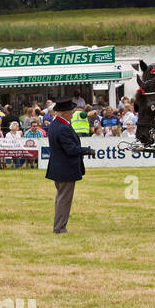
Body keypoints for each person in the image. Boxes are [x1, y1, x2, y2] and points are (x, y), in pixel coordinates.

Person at [45, 100, 95, 234]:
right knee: (64, 200)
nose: (74, 112)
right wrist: (86, 150)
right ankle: (60, 228)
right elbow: (71, 150)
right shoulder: (63, 127)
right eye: (72, 111)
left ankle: (59, 226)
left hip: (59, 167)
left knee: (61, 198)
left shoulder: (57, 124)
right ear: (66, 113)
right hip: (65, 168)